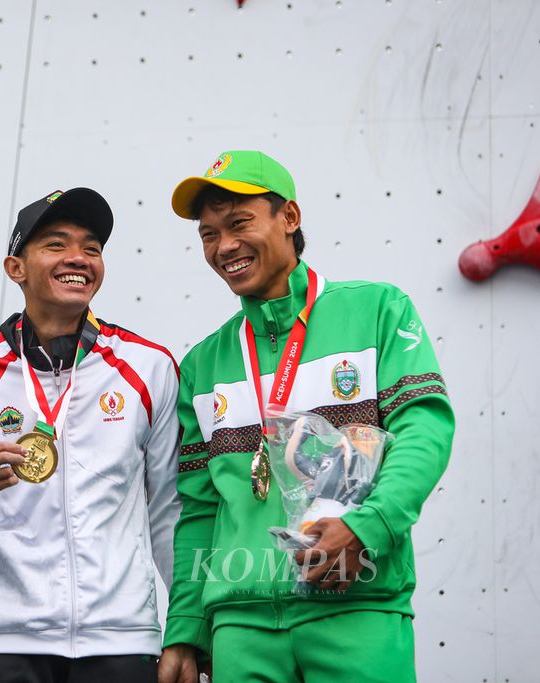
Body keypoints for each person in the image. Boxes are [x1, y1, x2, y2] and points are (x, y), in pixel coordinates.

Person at [158, 150, 455, 683]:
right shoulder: (202, 365)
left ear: (289, 219)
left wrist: (368, 526)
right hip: (240, 626)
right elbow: (200, 509)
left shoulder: (378, 311)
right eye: (208, 234)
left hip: (357, 605)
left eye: (239, 223)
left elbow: (424, 429)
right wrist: (186, 625)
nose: (224, 246)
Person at [0, 189, 181, 683]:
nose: (78, 259)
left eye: (92, 247)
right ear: (15, 268)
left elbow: (170, 512)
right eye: (56, 244)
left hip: (123, 639)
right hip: (1, 642)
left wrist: (188, 628)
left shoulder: (148, 368)